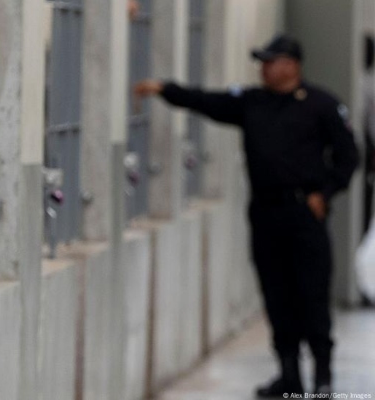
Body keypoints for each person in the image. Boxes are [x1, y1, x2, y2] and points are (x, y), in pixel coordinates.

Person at [134, 35, 358, 397]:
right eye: (262, 62)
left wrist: (326, 193)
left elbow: (349, 156)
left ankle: (322, 377)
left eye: (271, 61)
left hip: (305, 215)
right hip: (266, 214)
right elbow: (206, 101)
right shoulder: (253, 102)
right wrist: (164, 89)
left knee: (312, 294)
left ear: (292, 65)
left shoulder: (321, 104)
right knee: (276, 294)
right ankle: (289, 375)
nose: (264, 68)